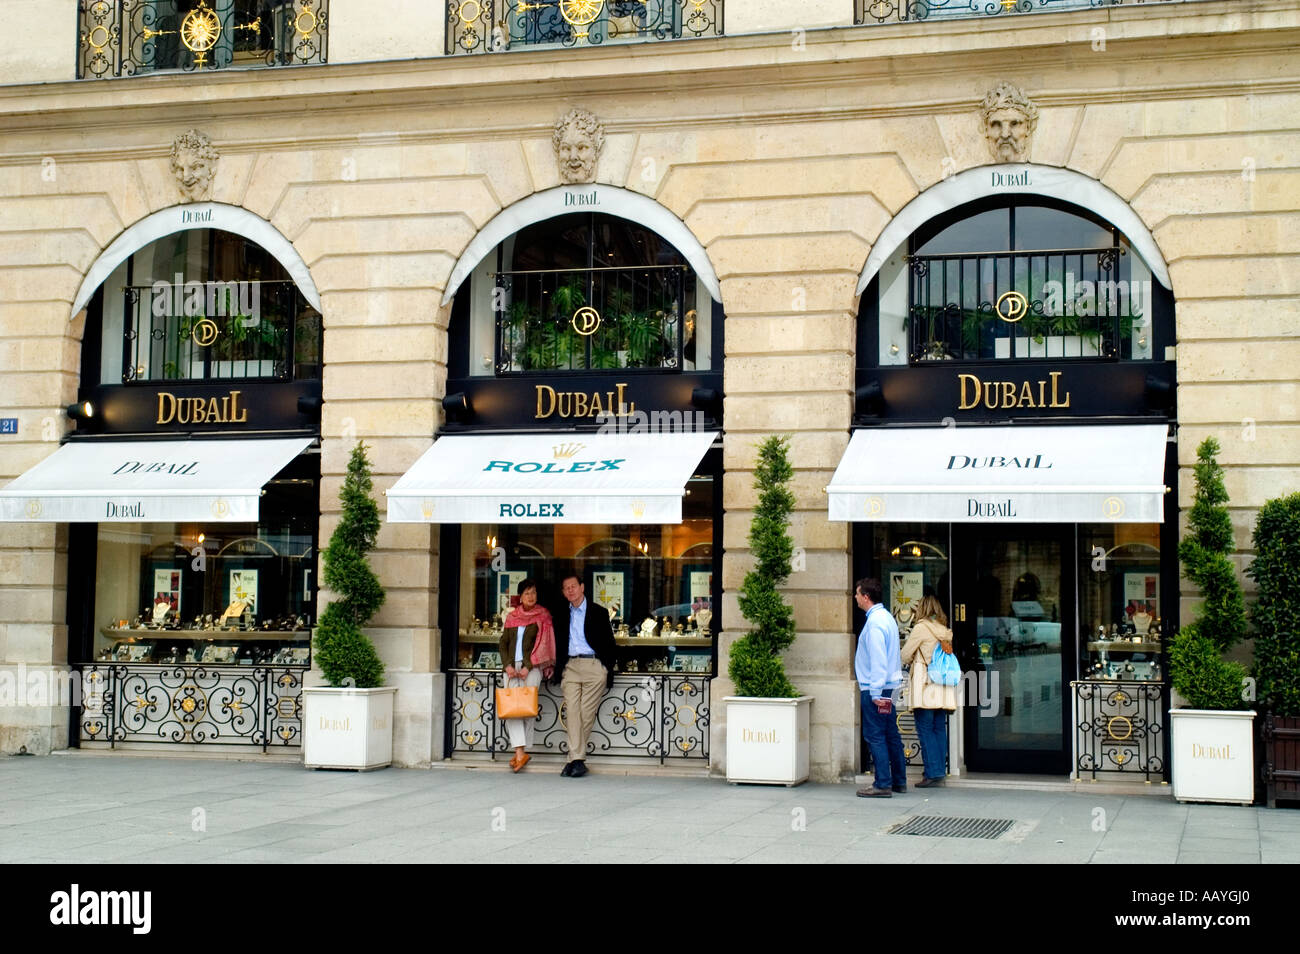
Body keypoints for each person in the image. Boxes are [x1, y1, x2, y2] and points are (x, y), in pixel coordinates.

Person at [552, 572, 616, 777]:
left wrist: (605, 666)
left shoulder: (598, 612)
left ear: (582, 587)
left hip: (593, 665)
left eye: (573, 586)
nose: (570, 590)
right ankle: (577, 759)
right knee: (572, 712)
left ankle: (574, 759)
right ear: (563, 592)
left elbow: (609, 642)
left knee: (585, 713)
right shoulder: (561, 613)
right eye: (566, 588)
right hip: (571, 666)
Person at [854, 577, 908, 797]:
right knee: (890, 734)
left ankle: (883, 783)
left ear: (866, 597)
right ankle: (898, 781)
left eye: (857, 594)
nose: (855, 597)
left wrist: (875, 691)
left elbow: (878, 659)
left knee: (875, 735)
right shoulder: (887, 618)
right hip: (889, 686)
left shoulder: (875, 623)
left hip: (876, 688)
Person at [900, 594, 958, 788]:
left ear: (922, 609)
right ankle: (939, 770)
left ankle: (932, 773)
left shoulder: (921, 628)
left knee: (925, 730)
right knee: (939, 728)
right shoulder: (944, 630)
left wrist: (910, 660)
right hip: (942, 685)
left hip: (925, 686)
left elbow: (905, 654)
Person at [499, 578, 556, 773]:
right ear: (520, 596)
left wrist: (528, 666)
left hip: (531, 669)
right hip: (511, 669)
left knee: (525, 709)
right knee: (511, 709)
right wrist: (507, 665)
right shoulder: (512, 616)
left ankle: (520, 752)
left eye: (533, 592)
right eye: (527, 593)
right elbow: (503, 643)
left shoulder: (543, 616)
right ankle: (520, 753)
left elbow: (545, 644)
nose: (531, 596)